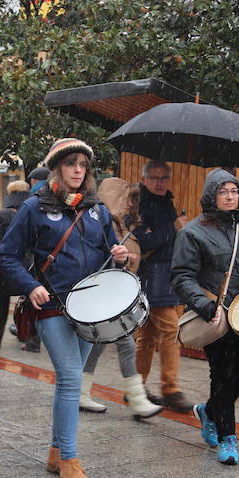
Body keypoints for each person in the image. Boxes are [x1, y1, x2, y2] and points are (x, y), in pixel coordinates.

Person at [0, 138, 128, 478]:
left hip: (91, 307)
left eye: (83, 165)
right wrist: (28, 285)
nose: (77, 171)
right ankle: (70, 461)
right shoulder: (35, 208)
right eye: (71, 164)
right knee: (71, 377)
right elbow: (6, 255)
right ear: (57, 168)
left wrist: (119, 255)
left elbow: (107, 249)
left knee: (69, 380)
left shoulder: (97, 208)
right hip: (51, 304)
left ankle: (56, 451)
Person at [172, 169, 239, 465]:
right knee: (223, 373)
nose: (230, 197)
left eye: (234, 191)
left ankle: (209, 410)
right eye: (224, 191)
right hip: (216, 316)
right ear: (211, 195)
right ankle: (227, 438)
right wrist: (205, 306)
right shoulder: (193, 232)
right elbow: (182, 277)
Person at [80, 178, 162, 419]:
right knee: (124, 343)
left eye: (133, 199)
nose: (130, 204)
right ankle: (137, 400)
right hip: (102, 293)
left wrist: (130, 257)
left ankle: (81, 393)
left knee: (96, 345)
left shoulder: (125, 226)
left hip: (115, 294)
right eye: (127, 198)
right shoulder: (103, 225)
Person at [131, 160, 193, 412]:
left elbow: (166, 240)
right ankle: (170, 389)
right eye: (154, 177)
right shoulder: (138, 203)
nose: (160, 182)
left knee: (147, 335)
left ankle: (137, 387)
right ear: (144, 179)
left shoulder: (166, 202)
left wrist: (180, 229)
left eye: (164, 178)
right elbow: (143, 241)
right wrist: (174, 227)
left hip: (165, 275)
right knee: (171, 331)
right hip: (150, 276)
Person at [0, 180, 30, 347]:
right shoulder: (32, 212)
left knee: (1, 303)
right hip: (28, 265)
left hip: (6, 264)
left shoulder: (3, 214)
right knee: (31, 303)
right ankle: (30, 341)